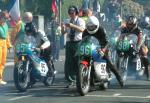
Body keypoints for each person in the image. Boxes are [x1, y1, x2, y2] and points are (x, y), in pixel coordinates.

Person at [82, 15, 124, 87]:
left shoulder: (101, 30)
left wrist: (103, 49)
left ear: (97, 25)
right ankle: (86, 78)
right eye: (89, 26)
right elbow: (83, 42)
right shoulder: (85, 32)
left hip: (102, 47)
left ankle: (119, 77)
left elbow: (107, 42)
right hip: (91, 48)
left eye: (93, 26)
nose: (91, 28)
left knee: (109, 61)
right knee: (83, 58)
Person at [23, 12, 56, 78]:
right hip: (34, 49)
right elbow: (25, 42)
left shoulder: (40, 32)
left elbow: (47, 42)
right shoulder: (27, 35)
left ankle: (50, 70)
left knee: (46, 54)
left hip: (43, 47)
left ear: (34, 30)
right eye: (28, 32)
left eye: (30, 32)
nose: (29, 34)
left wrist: (41, 47)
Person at [61, 5, 85, 87]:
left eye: (72, 12)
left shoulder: (80, 20)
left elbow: (82, 30)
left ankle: (78, 78)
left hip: (77, 42)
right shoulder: (66, 20)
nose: (71, 14)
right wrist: (62, 28)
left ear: (76, 12)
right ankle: (70, 80)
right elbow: (63, 33)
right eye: (69, 12)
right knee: (69, 62)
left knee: (77, 61)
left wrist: (72, 25)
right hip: (69, 43)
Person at [121, 15, 150, 80]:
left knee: (143, 52)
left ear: (135, 24)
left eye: (132, 24)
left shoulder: (139, 30)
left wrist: (138, 46)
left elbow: (140, 39)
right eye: (129, 24)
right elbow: (121, 37)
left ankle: (147, 73)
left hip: (138, 44)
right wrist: (118, 43)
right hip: (128, 44)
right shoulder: (124, 29)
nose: (130, 25)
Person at [0, 10, 11, 85]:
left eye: (7, 19)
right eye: (5, 18)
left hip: (4, 44)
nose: (6, 20)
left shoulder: (6, 25)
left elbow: (7, 36)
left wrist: (9, 45)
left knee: (3, 62)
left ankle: (0, 79)